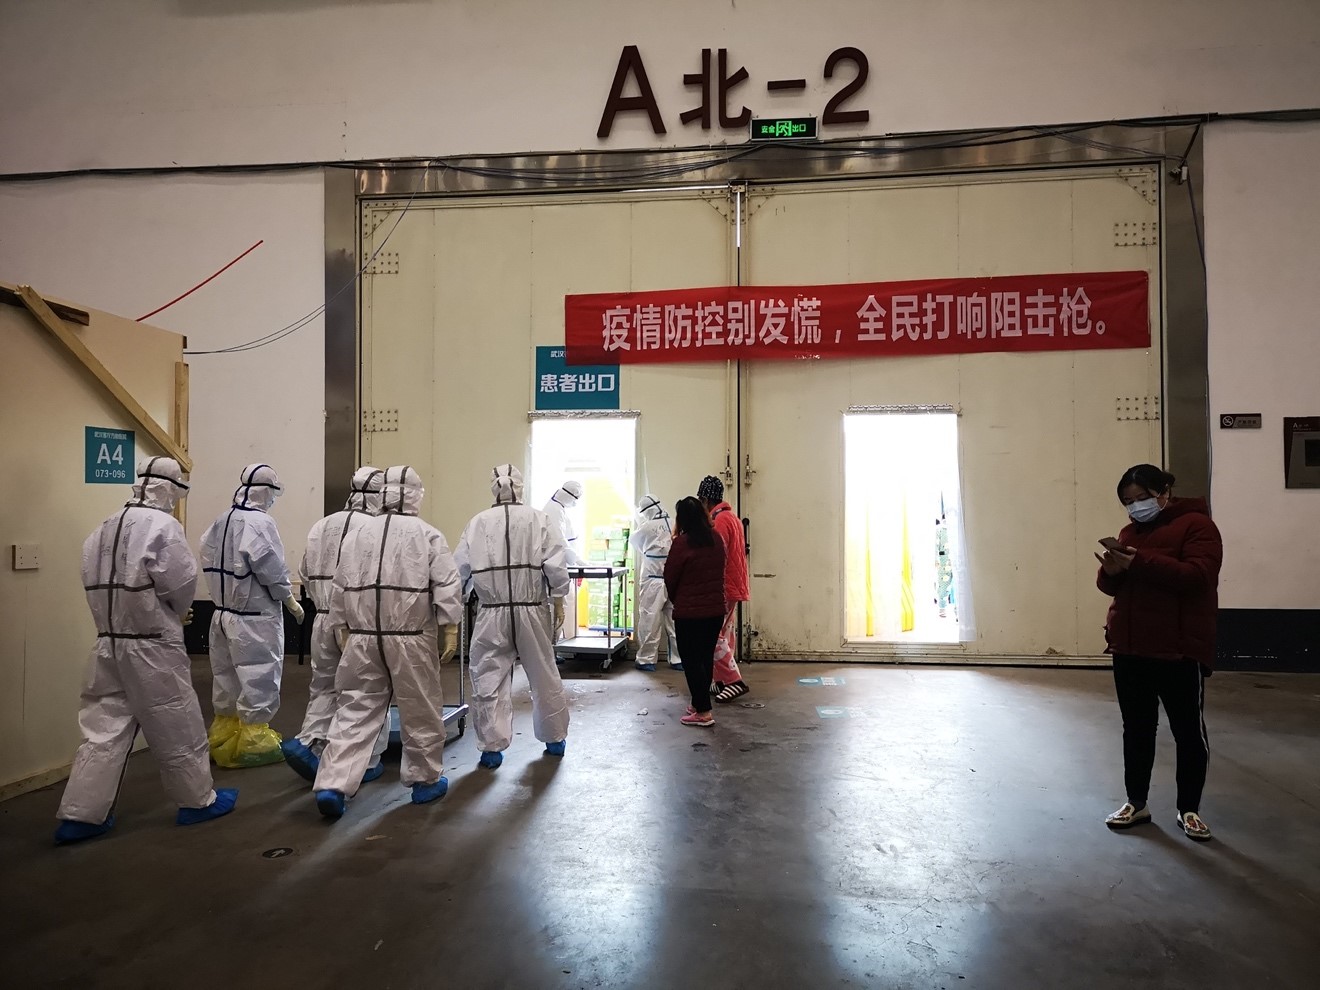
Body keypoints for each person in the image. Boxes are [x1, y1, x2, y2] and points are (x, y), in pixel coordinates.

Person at [55, 457, 237, 845]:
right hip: (152, 645)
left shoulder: (102, 528)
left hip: (108, 642)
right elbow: (180, 584)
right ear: (170, 488)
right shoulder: (163, 527)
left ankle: (80, 815)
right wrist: (176, 612)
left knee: (103, 729)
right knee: (177, 724)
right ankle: (198, 801)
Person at [312, 466, 463, 819]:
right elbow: (447, 582)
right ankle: (424, 780)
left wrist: (341, 624)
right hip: (411, 638)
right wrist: (450, 626)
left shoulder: (358, 534)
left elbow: (340, 583)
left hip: (362, 639)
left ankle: (333, 784)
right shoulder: (427, 534)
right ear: (415, 495)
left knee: (354, 709)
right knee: (419, 709)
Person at [1096, 464, 1223, 842]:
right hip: (1130, 647)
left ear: (1164, 492)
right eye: (1128, 502)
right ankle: (1136, 802)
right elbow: (1114, 587)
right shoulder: (1129, 533)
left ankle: (1189, 809)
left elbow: (1198, 577)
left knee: (1188, 732)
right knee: (1136, 728)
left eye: (1142, 498)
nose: (1136, 507)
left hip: (1178, 649)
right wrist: (1112, 571)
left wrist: (1140, 562)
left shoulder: (1198, 527)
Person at [456, 464, 571, 768]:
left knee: (488, 676)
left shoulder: (477, 523)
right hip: (531, 609)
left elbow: (459, 570)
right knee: (543, 673)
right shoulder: (539, 519)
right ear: (520, 487)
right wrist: (559, 598)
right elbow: (556, 565)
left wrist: (457, 603)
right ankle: (554, 737)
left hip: (491, 612)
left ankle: (491, 748)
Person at [281, 466, 391, 783]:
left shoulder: (322, 525)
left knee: (324, 686)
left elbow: (304, 569)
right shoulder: (375, 529)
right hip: (359, 625)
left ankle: (309, 743)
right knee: (367, 692)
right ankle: (366, 761)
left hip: (322, 618)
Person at [200, 463, 302, 768]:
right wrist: (289, 599)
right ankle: (254, 741)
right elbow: (270, 567)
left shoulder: (223, 519)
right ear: (266, 491)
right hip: (254, 617)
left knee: (226, 677)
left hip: (222, 614)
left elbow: (205, 552)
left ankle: (224, 732)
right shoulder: (260, 523)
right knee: (258, 674)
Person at [664, 497, 727, 727]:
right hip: (715, 611)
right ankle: (698, 702)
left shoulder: (682, 543)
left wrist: (679, 600)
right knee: (704, 658)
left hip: (689, 614)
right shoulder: (716, 538)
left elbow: (670, 576)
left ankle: (703, 712)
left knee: (691, 661)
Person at [697, 475, 750, 702]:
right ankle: (720, 680)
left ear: (706, 499)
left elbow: (715, 556)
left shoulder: (718, 521)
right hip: (734, 584)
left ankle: (733, 680)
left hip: (723, 587)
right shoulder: (732, 518)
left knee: (712, 635)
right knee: (725, 633)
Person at [630, 494, 682, 672]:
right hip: (673, 579)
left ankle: (646, 660)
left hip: (652, 579)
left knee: (649, 619)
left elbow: (635, 543)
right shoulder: (674, 522)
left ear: (646, 511)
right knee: (675, 620)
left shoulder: (646, 527)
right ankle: (678, 659)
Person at [543, 480, 585, 566]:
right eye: (575, 499)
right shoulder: (555, 510)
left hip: (564, 560)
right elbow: (559, 539)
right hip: (559, 561)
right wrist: (577, 560)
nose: (575, 502)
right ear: (569, 497)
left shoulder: (559, 507)